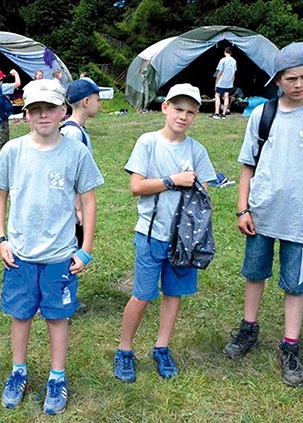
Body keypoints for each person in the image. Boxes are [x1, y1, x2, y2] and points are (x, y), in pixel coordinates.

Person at [0, 79, 104, 415]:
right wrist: (1, 238)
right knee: (20, 315)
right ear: (25, 115)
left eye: (49, 108)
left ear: (63, 111)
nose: (42, 115)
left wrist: (86, 248)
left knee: (57, 318)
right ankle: (18, 372)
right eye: (35, 109)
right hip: (19, 255)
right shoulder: (13, 151)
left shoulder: (76, 151)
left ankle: (57, 377)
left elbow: (89, 200)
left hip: (60, 257)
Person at [224, 42, 303, 388]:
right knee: (255, 273)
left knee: (296, 284)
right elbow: (247, 167)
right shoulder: (262, 115)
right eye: (291, 78)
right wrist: (242, 208)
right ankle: (248, 329)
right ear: (278, 80)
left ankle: (290, 346)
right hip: (262, 212)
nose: (299, 85)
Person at [113, 83, 216, 383]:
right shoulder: (148, 142)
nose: (183, 116)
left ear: (196, 115)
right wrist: (173, 180)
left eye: (190, 112)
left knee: (173, 295)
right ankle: (124, 350)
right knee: (142, 296)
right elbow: (136, 187)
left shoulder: (197, 150)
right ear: (165, 108)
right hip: (150, 234)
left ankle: (162, 347)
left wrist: (196, 188)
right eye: (178, 109)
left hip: (183, 240)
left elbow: (204, 192)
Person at [61, 78, 109, 245]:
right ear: (86, 101)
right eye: (97, 99)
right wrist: (79, 209)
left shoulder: (79, 130)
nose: (99, 103)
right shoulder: (72, 133)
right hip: (70, 212)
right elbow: (70, 176)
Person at [212, 46, 237, 119]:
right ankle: (223, 114)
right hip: (229, 82)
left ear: (225, 52)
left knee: (217, 95)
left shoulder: (222, 60)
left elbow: (220, 72)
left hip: (222, 81)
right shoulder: (234, 61)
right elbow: (234, 73)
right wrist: (232, 81)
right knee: (226, 97)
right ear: (231, 52)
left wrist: (217, 82)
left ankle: (216, 113)